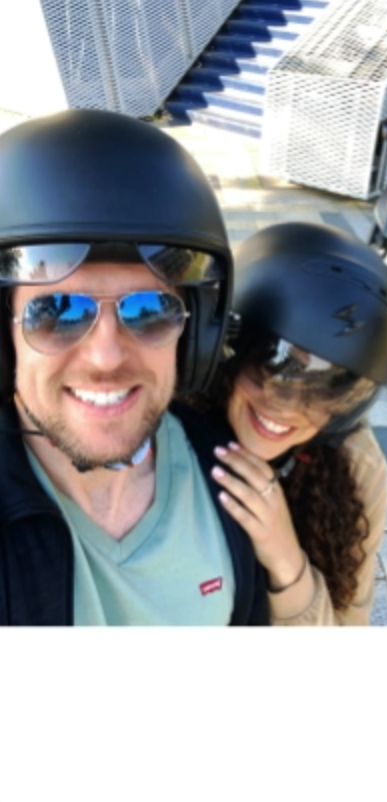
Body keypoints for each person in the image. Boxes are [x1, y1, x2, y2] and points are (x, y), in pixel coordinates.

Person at [0, 109, 267, 625]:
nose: (106, 358)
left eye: (149, 311)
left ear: (194, 336)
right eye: (57, 312)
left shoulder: (228, 479)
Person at [185, 223, 387, 625]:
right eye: (272, 364)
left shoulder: (355, 469)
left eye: (325, 387)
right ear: (228, 349)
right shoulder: (171, 420)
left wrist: (287, 561)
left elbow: (346, 628)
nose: (286, 407)